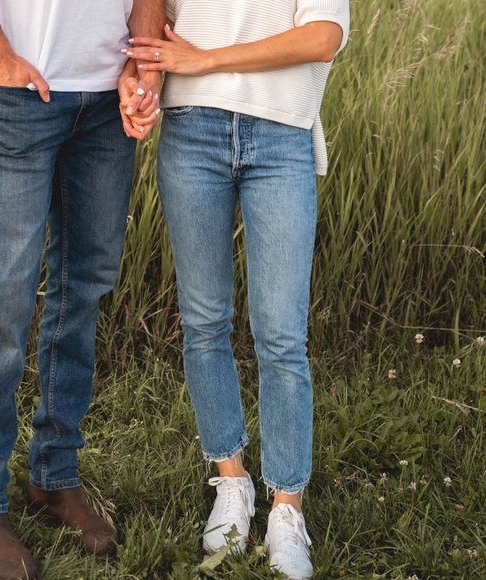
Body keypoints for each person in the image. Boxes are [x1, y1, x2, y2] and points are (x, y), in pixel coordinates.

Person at [122, 1, 350, 577]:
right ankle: (232, 480)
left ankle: (287, 508)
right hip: (191, 128)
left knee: (282, 336)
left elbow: (323, 37)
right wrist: (140, 79)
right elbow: (152, 14)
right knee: (203, 322)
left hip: (280, 133)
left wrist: (204, 60)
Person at [0, 1, 164, 578]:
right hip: (18, 90)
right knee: (6, 293)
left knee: (83, 286)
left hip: (107, 98)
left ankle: (54, 475)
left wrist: (143, 66)